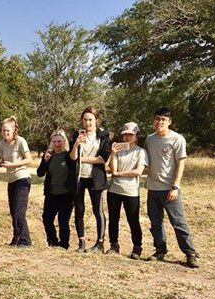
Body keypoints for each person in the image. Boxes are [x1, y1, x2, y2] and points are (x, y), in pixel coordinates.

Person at [144, 107, 200, 268]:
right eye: (157, 119)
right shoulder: (150, 139)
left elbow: (181, 163)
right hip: (153, 188)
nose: (159, 122)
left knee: (178, 222)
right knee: (155, 222)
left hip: (170, 188)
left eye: (163, 119)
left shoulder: (177, 139)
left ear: (169, 122)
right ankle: (160, 250)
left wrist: (175, 186)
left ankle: (190, 253)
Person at [69, 107, 112, 253]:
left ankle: (99, 243)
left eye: (90, 120)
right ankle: (81, 242)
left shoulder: (104, 136)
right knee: (79, 209)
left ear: (96, 120)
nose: (87, 123)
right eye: (85, 120)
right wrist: (76, 144)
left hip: (95, 178)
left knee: (97, 210)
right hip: (79, 177)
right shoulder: (77, 135)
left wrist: (82, 159)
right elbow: (72, 157)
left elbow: (102, 159)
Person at [106, 122, 147, 259]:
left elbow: (138, 171)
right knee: (113, 219)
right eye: (125, 135)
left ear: (136, 136)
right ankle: (114, 245)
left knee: (133, 220)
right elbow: (113, 169)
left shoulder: (141, 152)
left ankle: (137, 247)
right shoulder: (118, 150)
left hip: (131, 191)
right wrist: (113, 154)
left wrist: (119, 174)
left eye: (131, 134)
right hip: (114, 190)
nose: (127, 137)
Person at [0, 116, 33, 247]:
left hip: (22, 178)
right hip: (11, 180)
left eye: (8, 131)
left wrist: (13, 164)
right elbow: (1, 159)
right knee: (13, 211)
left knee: (19, 211)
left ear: (14, 130)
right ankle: (16, 238)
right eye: (3, 130)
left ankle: (25, 240)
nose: (5, 133)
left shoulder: (20, 141)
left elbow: (29, 160)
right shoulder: (2, 143)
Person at [37, 130, 75, 249]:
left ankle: (64, 245)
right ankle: (53, 242)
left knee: (63, 222)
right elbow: (39, 173)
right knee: (47, 219)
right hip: (51, 194)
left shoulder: (68, 156)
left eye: (59, 141)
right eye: (54, 141)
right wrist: (44, 161)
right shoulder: (49, 155)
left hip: (66, 194)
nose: (57, 144)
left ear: (64, 141)